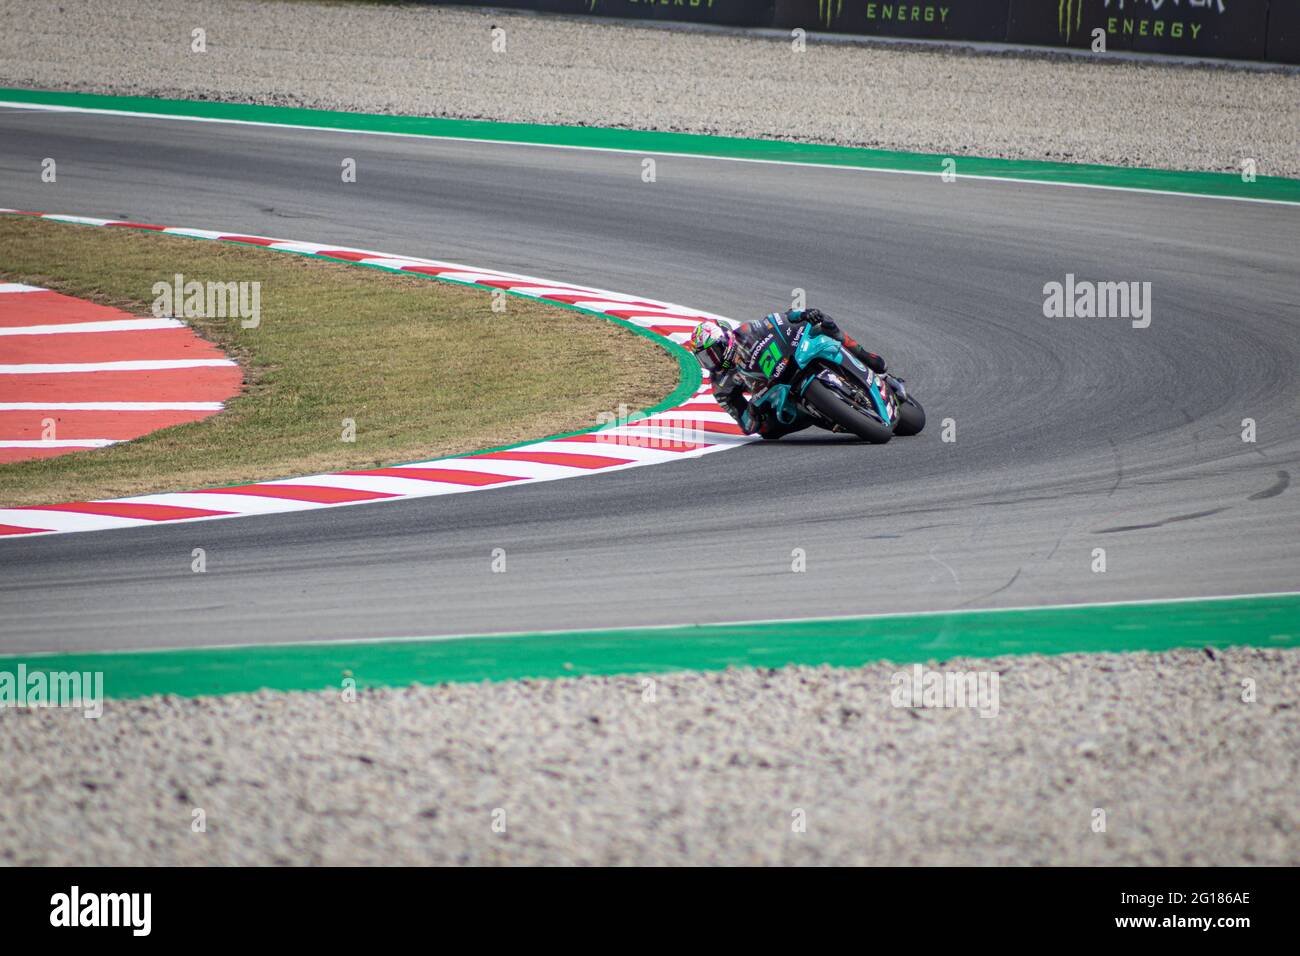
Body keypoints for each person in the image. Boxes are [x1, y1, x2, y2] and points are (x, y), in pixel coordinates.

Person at [688, 308, 904, 439]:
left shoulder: (746, 330)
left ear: (726, 337)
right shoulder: (720, 384)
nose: (713, 360)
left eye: (714, 352)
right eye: (706, 358)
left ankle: (870, 361)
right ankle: (830, 416)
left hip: (790, 359)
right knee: (768, 432)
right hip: (772, 393)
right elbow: (744, 421)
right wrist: (752, 415)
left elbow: (776, 320)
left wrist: (802, 314)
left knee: (826, 326)